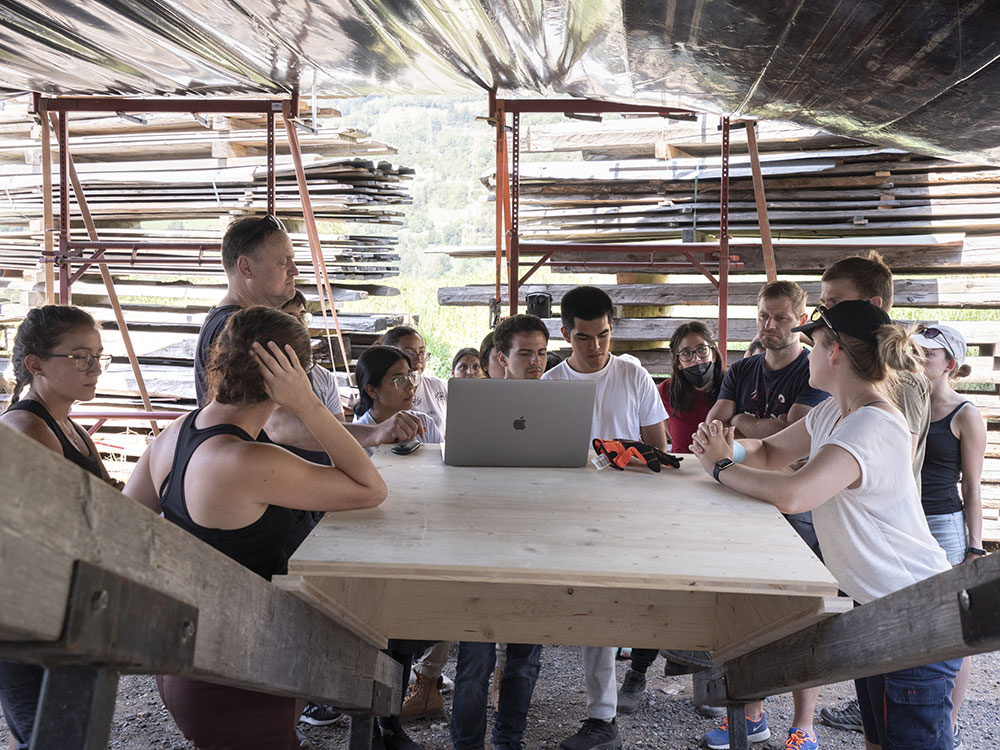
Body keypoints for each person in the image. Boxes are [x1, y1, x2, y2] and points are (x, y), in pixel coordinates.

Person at [121, 307, 405, 750]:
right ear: (292, 374)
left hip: (187, 656)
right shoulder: (246, 461)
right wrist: (308, 404)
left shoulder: (175, 434)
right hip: (236, 674)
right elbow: (370, 488)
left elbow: (123, 522)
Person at [691, 300, 961, 750]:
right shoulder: (834, 412)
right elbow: (771, 452)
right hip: (879, 605)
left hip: (912, 611)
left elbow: (795, 491)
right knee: (877, 740)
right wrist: (727, 447)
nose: (807, 351)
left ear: (834, 351)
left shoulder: (872, 423)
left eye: (812, 343)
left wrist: (720, 468)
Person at [700, 280, 829, 750]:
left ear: (800, 318)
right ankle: (751, 717)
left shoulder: (812, 371)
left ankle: (804, 725)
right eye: (762, 317)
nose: (769, 326)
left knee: (801, 615)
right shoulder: (742, 367)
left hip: (795, 507)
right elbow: (712, 425)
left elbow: (792, 435)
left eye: (779, 317)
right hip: (742, 499)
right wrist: (756, 429)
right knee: (746, 612)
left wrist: (742, 427)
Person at [814, 252, 934, 737]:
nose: (822, 315)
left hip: (896, 562)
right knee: (879, 731)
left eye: (834, 305)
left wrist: (823, 471)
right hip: (874, 576)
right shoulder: (841, 400)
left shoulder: (888, 391)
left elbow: (884, 459)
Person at [543, 286, 667, 750]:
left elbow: (659, 449)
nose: (595, 347)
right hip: (567, 510)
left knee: (619, 604)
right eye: (583, 338)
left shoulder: (632, 374)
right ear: (565, 334)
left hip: (627, 509)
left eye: (604, 336)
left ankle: (611, 706)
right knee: (582, 607)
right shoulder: (551, 386)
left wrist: (627, 457)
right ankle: (591, 714)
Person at [0, 306, 122, 750]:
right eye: (79, 356)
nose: (93, 368)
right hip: (24, 614)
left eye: (98, 356)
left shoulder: (69, 426)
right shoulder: (27, 428)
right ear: (35, 364)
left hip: (57, 606)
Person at [194, 215, 423, 448]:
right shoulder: (238, 331)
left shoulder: (235, 323)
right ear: (246, 267)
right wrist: (372, 434)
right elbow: (278, 425)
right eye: (283, 262)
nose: (294, 270)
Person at [617, 321, 725, 716]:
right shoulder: (662, 393)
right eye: (686, 354)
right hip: (678, 497)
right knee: (661, 585)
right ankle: (637, 674)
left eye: (702, 351)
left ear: (714, 351)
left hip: (724, 496)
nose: (696, 360)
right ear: (675, 361)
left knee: (714, 587)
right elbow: (652, 444)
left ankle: (711, 685)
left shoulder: (729, 391)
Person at [449, 313, 547, 750]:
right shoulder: (472, 403)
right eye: (525, 353)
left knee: (526, 657)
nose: (535, 362)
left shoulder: (560, 406)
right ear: (501, 357)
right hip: (480, 542)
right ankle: (466, 743)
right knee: (476, 660)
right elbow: (453, 472)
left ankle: (510, 738)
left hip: (538, 543)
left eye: (542, 353)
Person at [914, 323, 985, 744]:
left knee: (951, 630)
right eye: (916, 351)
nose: (920, 359)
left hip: (943, 525)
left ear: (949, 364)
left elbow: (973, 485)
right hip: (905, 521)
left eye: (929, 354)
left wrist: (975, 548)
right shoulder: (908, 403)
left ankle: (948, 723)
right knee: (901, 617)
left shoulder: (966, 414)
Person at [354, 345, 443, 450]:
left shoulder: (424, 423)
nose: (411, 385)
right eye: (399, 380)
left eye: (410, 375)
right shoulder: (357, 439)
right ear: (371, 390)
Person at [380, 326, 448, 434]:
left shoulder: (440, 387)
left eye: (422, 353)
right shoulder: (379, 392)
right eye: (409, 354)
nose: (418, 360)